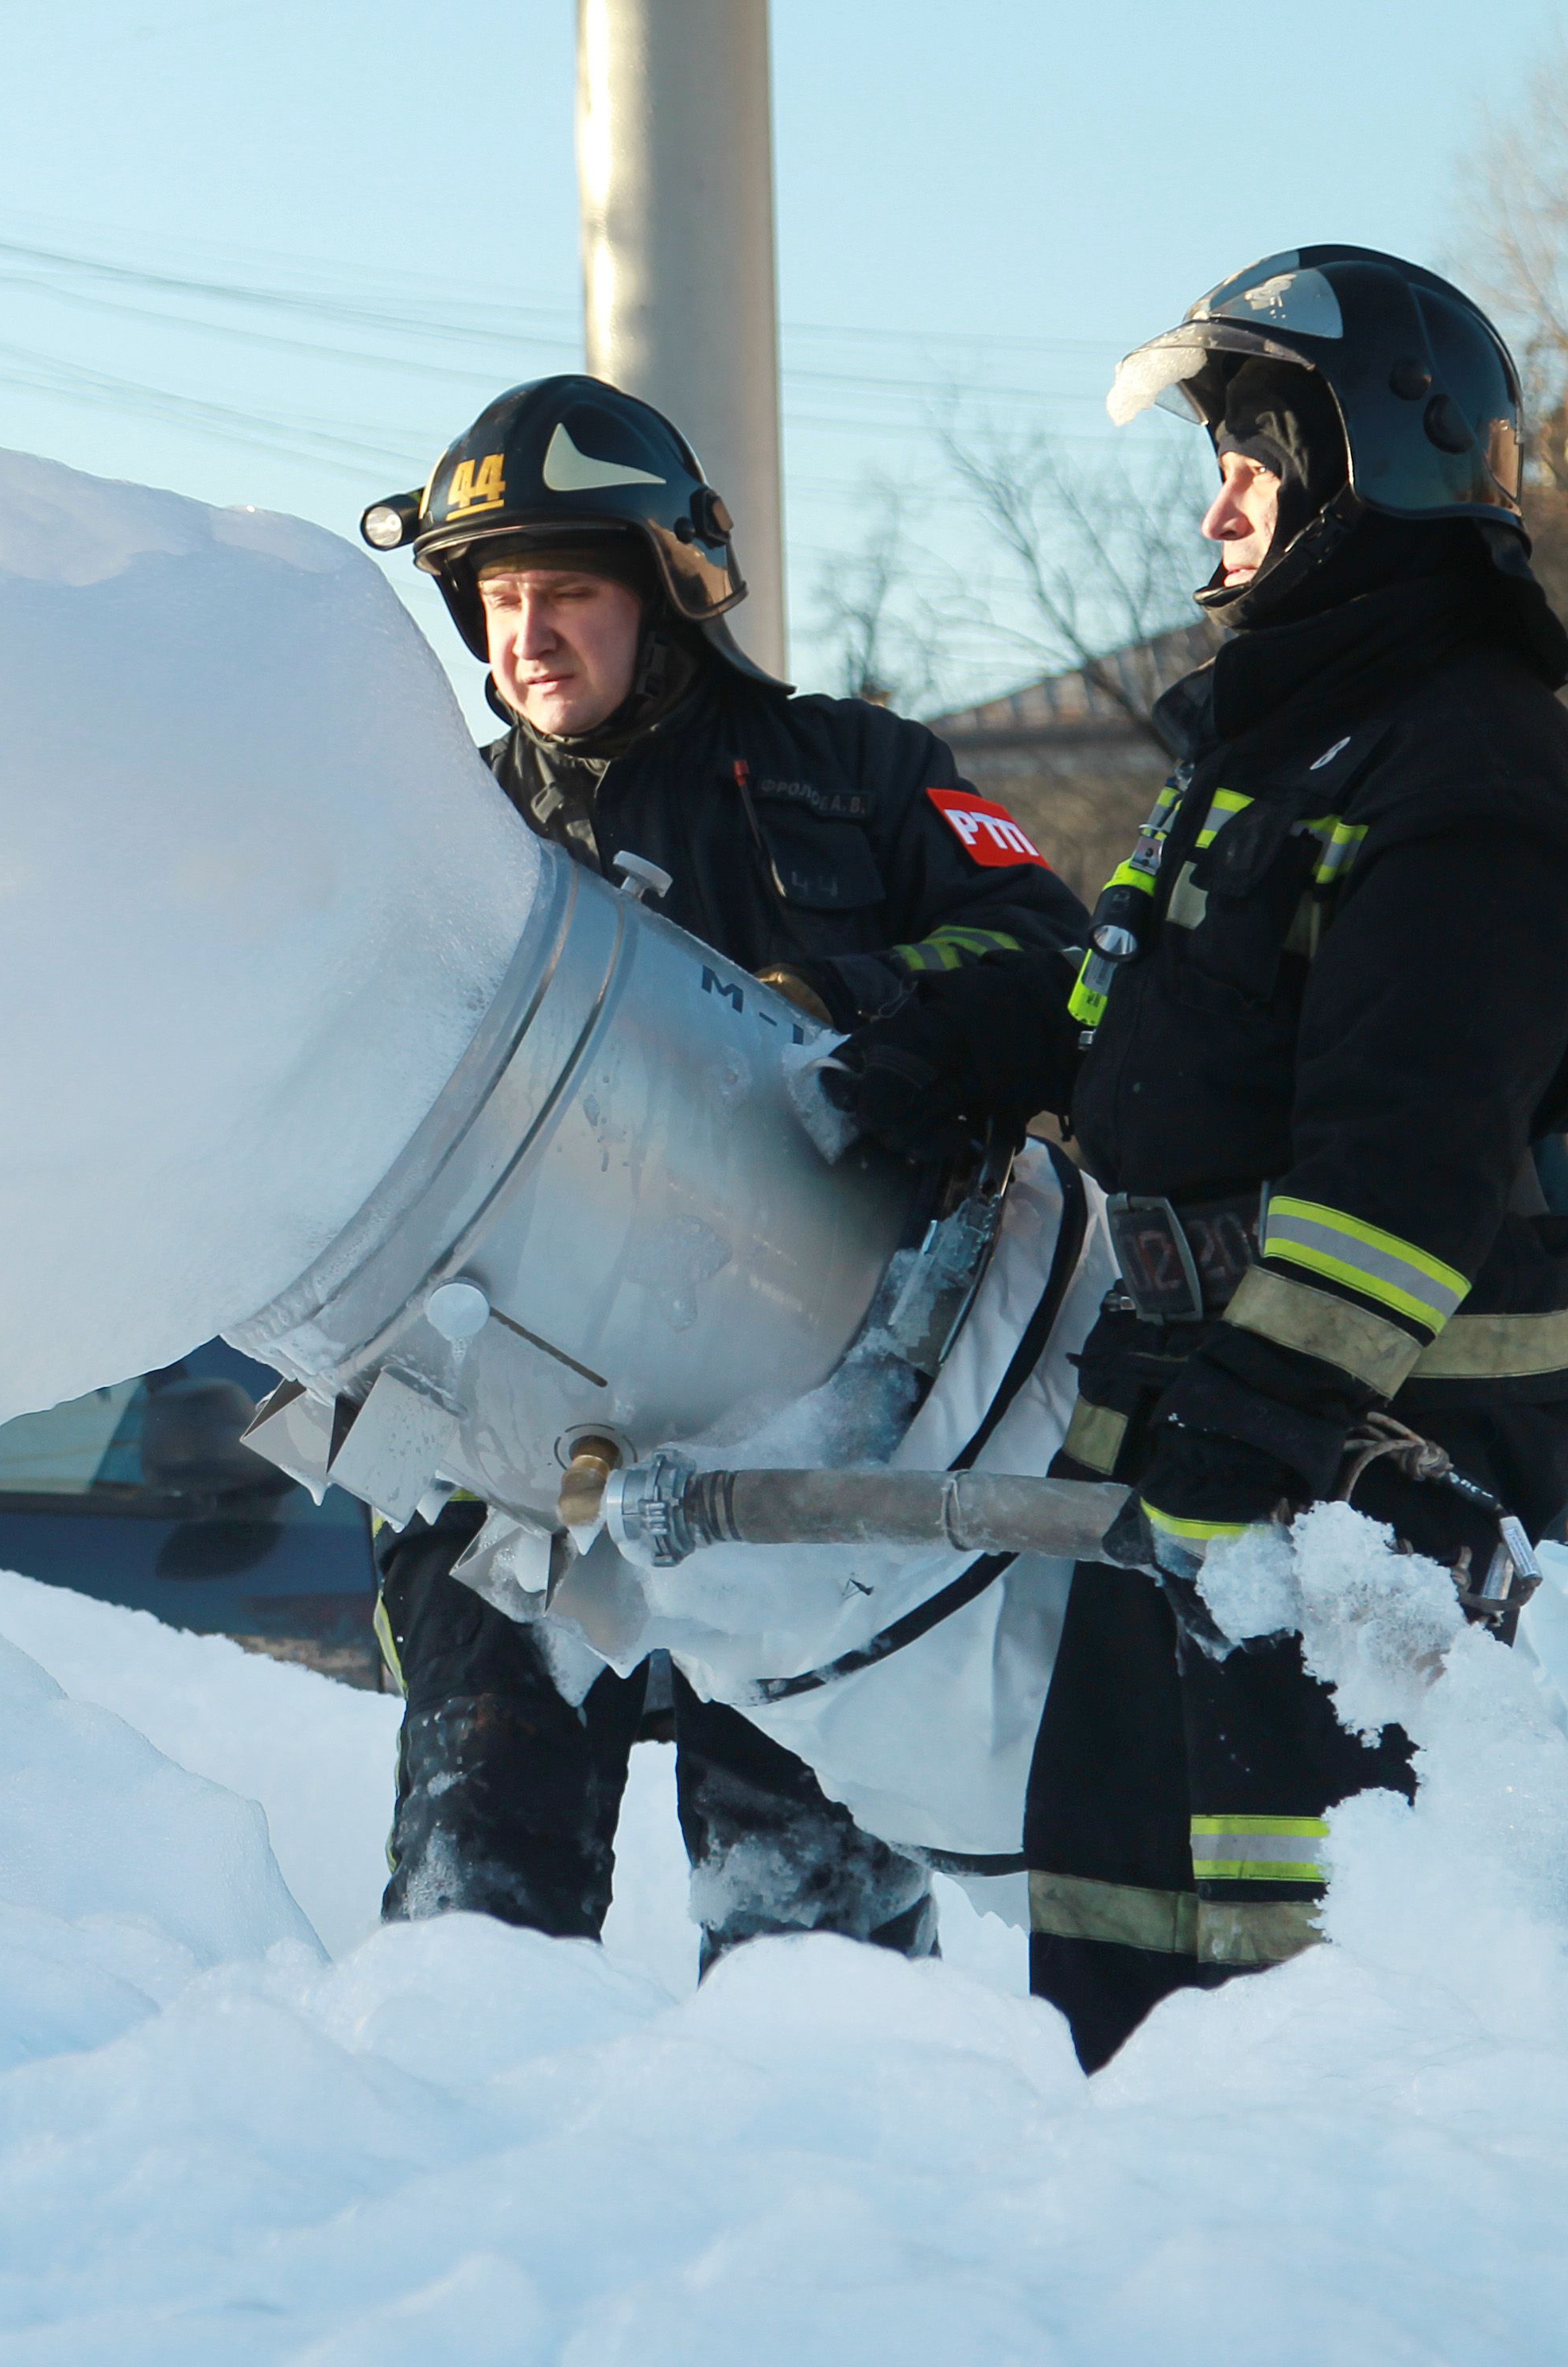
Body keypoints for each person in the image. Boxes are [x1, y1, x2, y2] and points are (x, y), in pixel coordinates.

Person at [829, 247, 1568, 2069]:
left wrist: (1263, 1414)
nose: (1218, 495)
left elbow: (1408, 1158)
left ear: (1368, 465)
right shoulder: (1274, 750)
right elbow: (1174, 1039)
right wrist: (995, 1046)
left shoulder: (1465, 770)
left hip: (1380, 1476)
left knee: (1309, 1992)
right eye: (1216, 453)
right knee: (1116, 1943)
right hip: (1191, 1434)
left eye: (1254, 447)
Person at [361, 375, 1091, 1966]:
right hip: (504, 1450)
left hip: (808, 1437)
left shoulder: (857, 774)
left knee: (802, 1933)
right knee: (469, 1905)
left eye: (565, 592)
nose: (524, 635)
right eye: (493, 600)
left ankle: (816, 2200)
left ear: (666, 592)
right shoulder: (438, 834)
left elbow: (1063, 960)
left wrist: (876, 1015)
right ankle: (472, 2180)